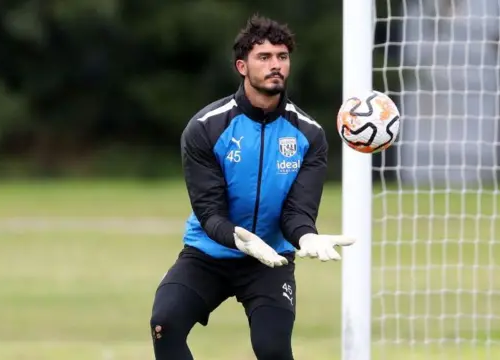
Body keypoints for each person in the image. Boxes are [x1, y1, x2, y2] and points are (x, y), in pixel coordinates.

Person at [149, 14, 355, 360]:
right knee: (164, 323)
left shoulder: (309, 135)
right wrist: (238, 238)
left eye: (282, 57)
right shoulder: (206, 128)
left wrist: (306, 236)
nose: (276, 65)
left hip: (270, 260)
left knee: (273, 349)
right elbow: (209, 211)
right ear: (242, 66)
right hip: (208, 254)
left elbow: (297, 212)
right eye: (265, 57)